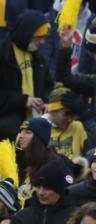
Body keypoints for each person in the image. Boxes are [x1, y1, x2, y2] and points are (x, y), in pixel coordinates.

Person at [0, 10, 52, 141]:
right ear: (27, 34)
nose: (43, 42)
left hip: (35, 123)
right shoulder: (3, 54)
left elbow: (48, 84)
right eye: (39, 37)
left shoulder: (38, 58)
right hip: (7, 126)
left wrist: (46, 102)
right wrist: (24, 101)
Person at [15, 160, 77, 224]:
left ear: (59, 189)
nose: (41, 192)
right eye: (38, 187)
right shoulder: (23, 216)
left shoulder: (74, 215)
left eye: (47, 188)